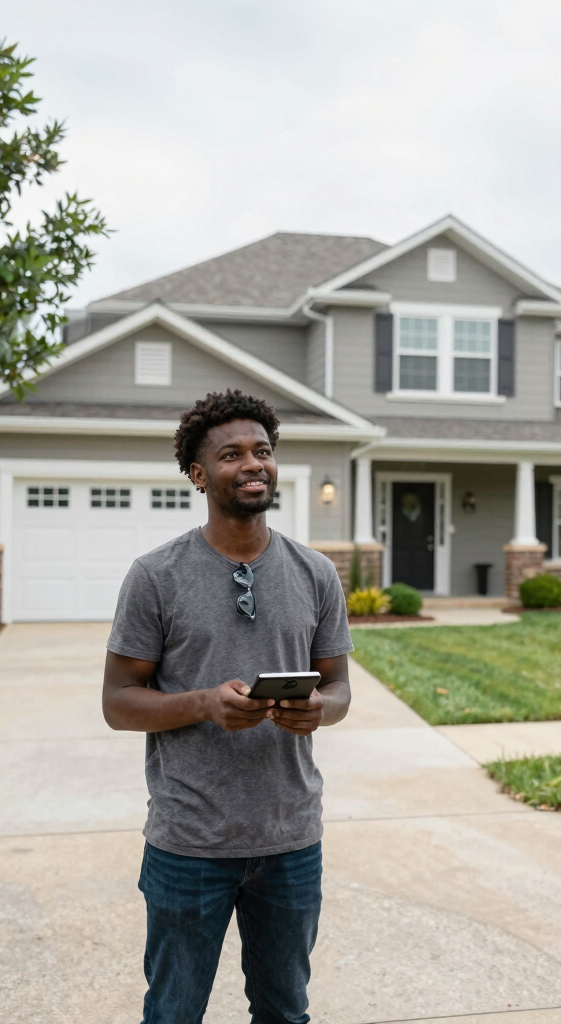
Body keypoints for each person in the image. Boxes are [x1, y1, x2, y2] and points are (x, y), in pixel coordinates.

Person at [103, 390, 352, 1024]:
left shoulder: (316, 572)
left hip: (291, 838)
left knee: (283, 1010)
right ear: (197, 473)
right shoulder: (156, 575)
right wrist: (205, 705)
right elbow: (118, 702)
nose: (252, 464)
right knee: (173, 1012)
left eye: (262, 451)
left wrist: (317, 709)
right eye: (231, 453)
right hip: (189, 841)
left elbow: (340, 688)